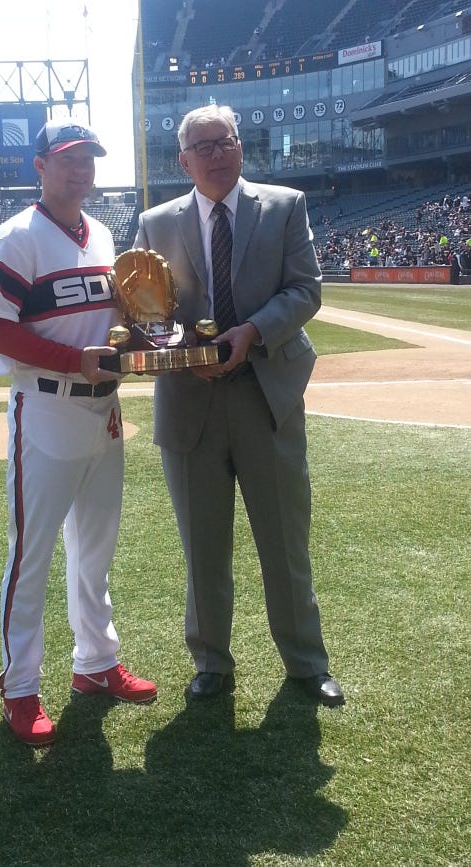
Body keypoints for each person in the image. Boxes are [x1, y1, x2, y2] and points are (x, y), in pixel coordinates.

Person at [134, 104, 344, 706]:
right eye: (202, 147)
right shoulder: (155, 224)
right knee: (203, 546)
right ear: (184, 161)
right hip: (190, 402)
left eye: (224, 142)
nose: (216, 154)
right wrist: (182, 353)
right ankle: (211, 661)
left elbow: (305, 289)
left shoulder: (284, 206)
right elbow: (145, 311)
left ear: (241, 148)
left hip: (264, 394)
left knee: (284, 540)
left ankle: (306, 662)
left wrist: (251, 331)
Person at [0, 119, 157, 746]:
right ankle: (20, 686)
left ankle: (96, 663)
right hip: (46, 407)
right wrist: (72, 361)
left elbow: (112, 323)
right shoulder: (16, 237)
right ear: (41, 166)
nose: (81, 171)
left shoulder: (101, 233)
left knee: (95, 549)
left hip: (103, 410)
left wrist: (148, 337)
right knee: (32, 553)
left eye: (89, 160)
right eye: (68, 159)